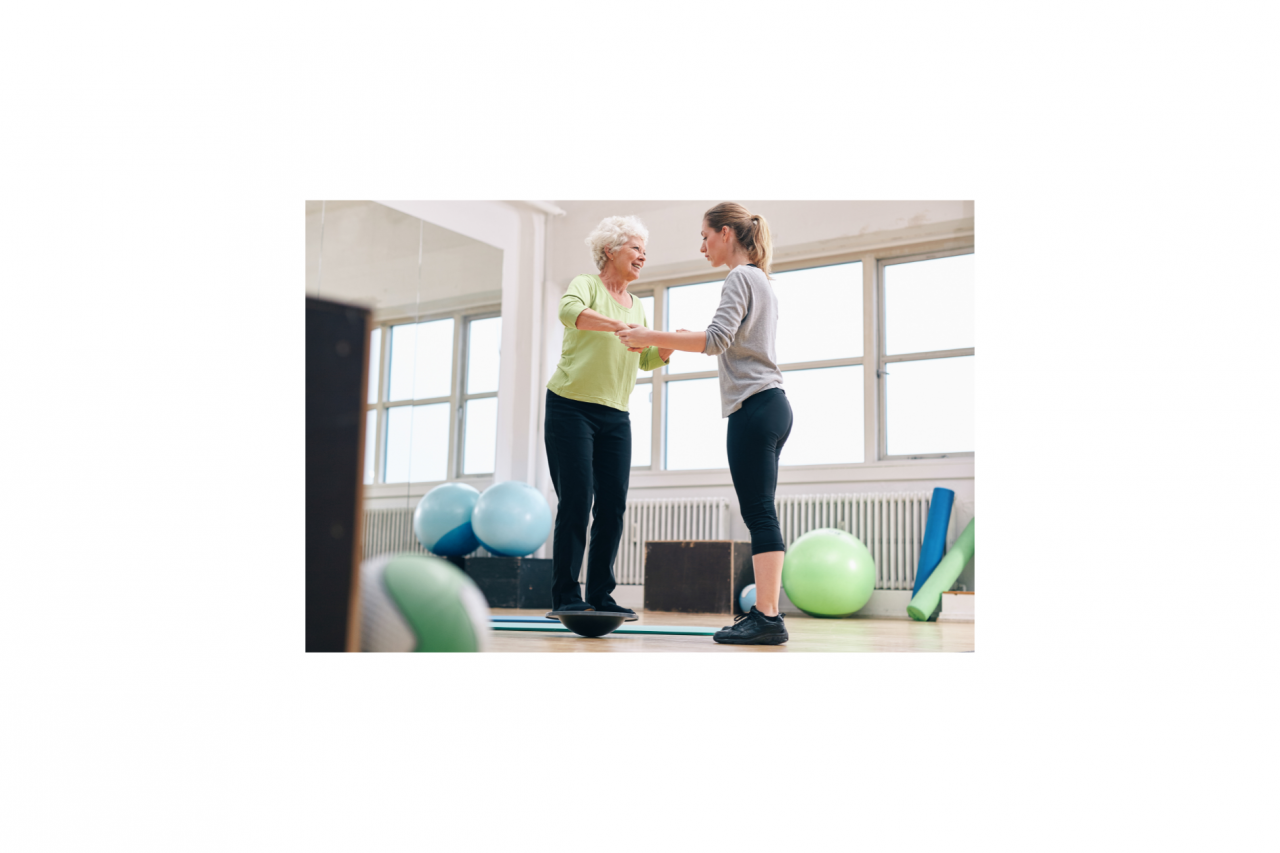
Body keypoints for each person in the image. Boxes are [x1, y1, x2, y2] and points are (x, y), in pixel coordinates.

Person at [616, 202, 792, 644]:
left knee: (758, 513)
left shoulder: (740, 276)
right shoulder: (762, 281)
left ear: (727, 233)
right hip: (772, 404)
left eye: (706, 236)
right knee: (761, 511)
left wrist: (650, 336)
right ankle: (768, 615)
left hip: (754, 406)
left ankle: (768, 618)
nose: (702, 246)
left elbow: (716, 340)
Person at [544, 216, 673, 619]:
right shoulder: (587, 284)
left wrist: (666, 347)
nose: (642, 255)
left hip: (616, 415)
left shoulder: (639, 305)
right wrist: (617, 325)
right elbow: (570, 313)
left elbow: (645, 357)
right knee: (577, 501)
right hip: (570, 407)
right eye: (635, 247)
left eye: (643, 249)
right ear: (610, 251)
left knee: (613, 505)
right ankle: (566, 594)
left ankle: (601, 593)